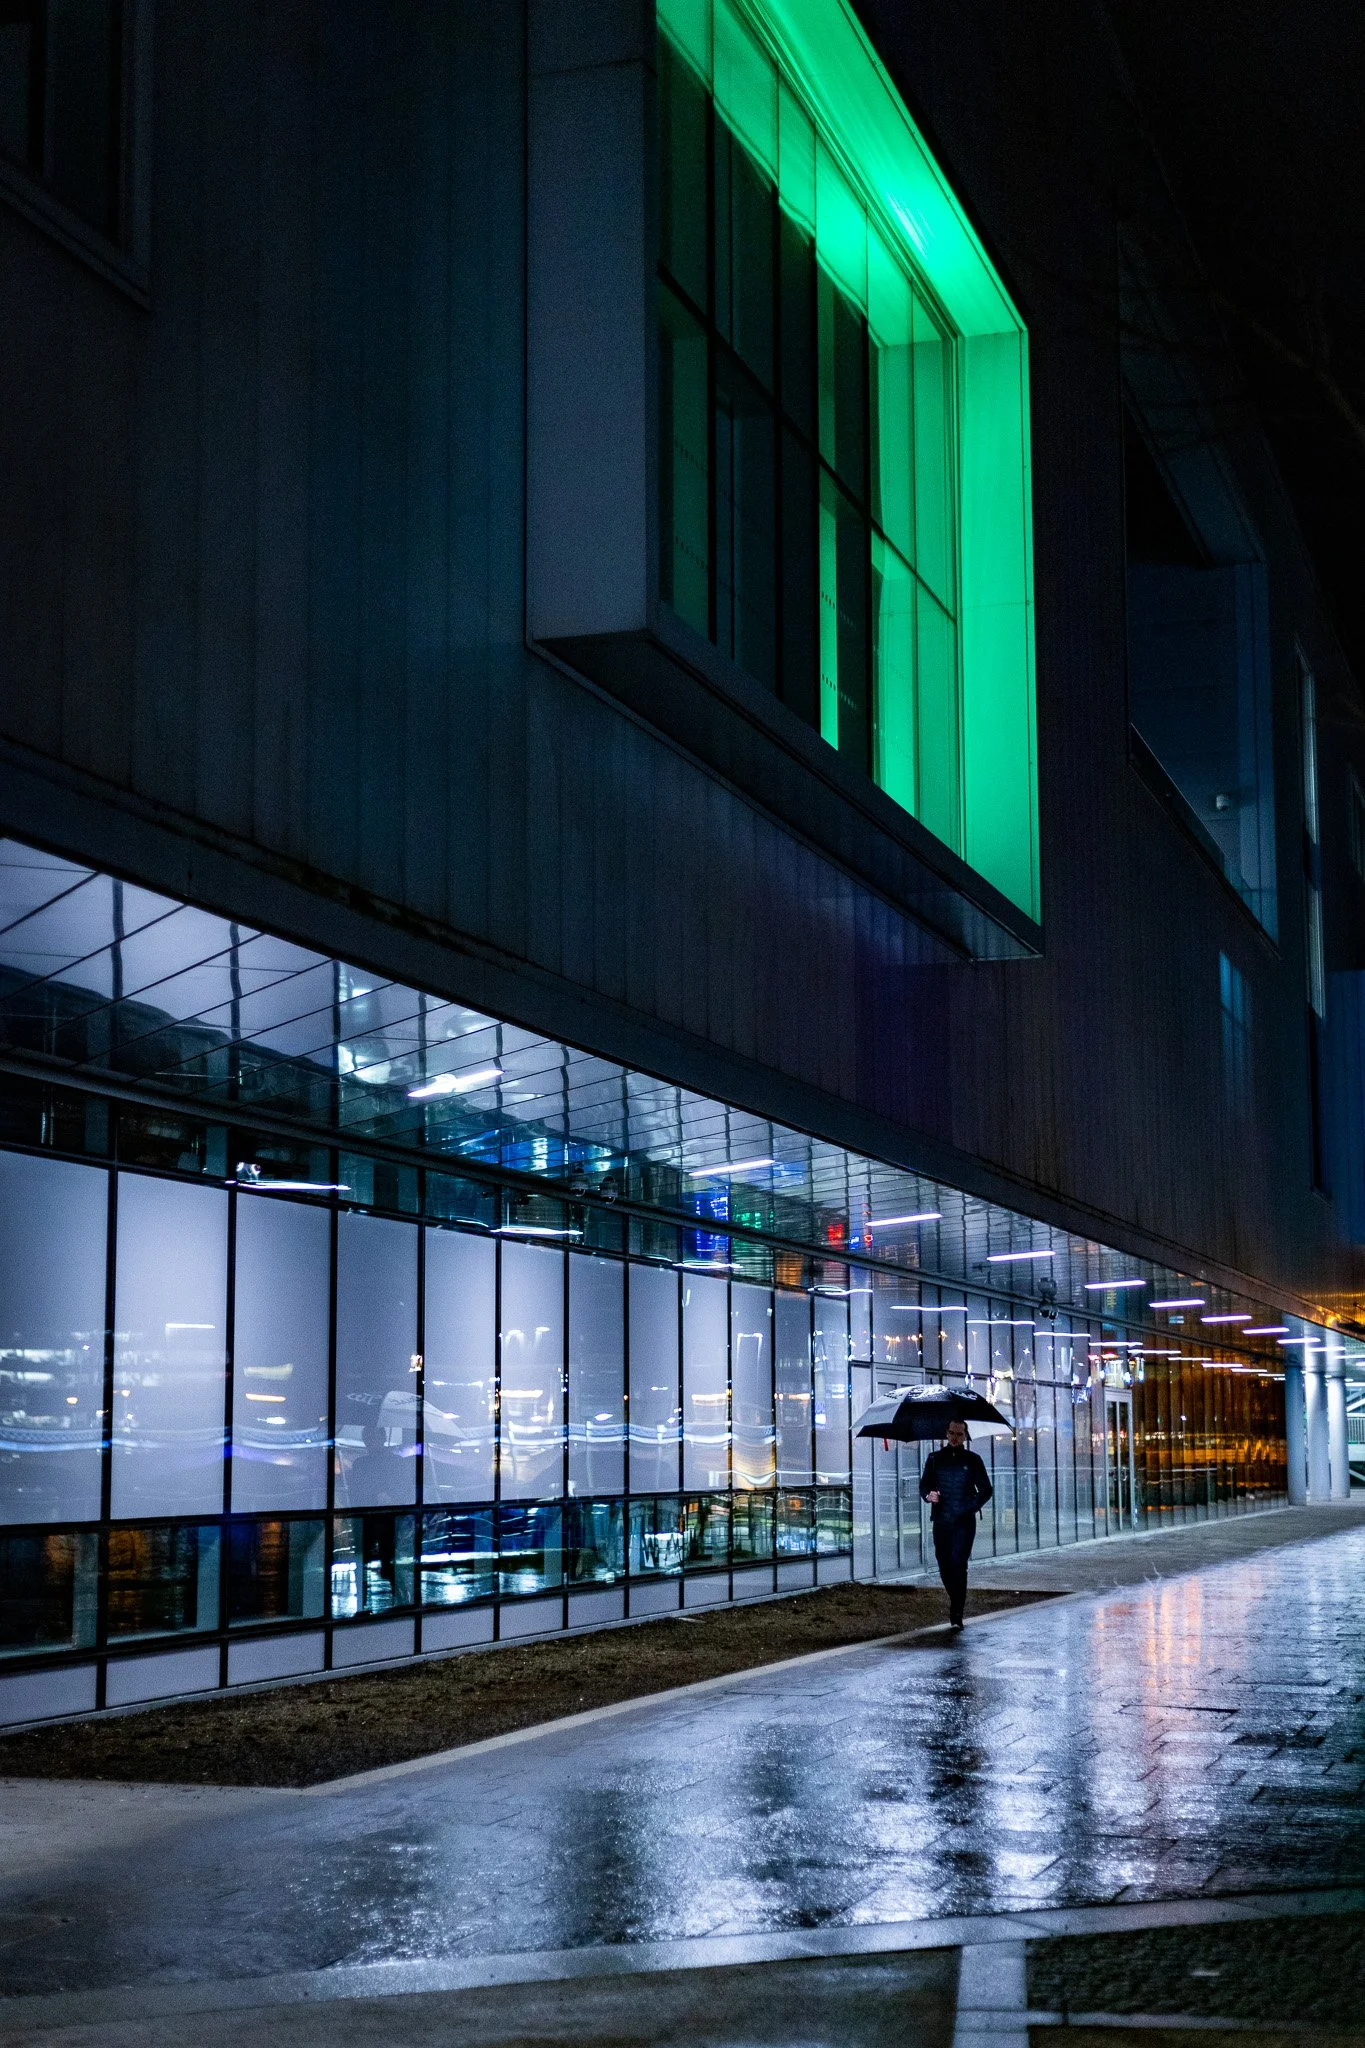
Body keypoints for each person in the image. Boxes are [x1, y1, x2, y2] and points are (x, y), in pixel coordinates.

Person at [919, 1417, 993, 1630]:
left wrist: (970, 1506)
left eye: (959, 1434)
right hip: (941, 1519)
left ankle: (956, 1612)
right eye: (952, 1433)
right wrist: (928, 1495)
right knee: (943, 1562)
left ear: (965, 1436)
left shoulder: (973, 1460)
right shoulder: (934, 1459)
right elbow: (924, 1485)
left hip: (963, 1521)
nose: (954, 1437)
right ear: (946, 1433)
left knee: (958, 1563)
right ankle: (956, 1601)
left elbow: (986, 1490)